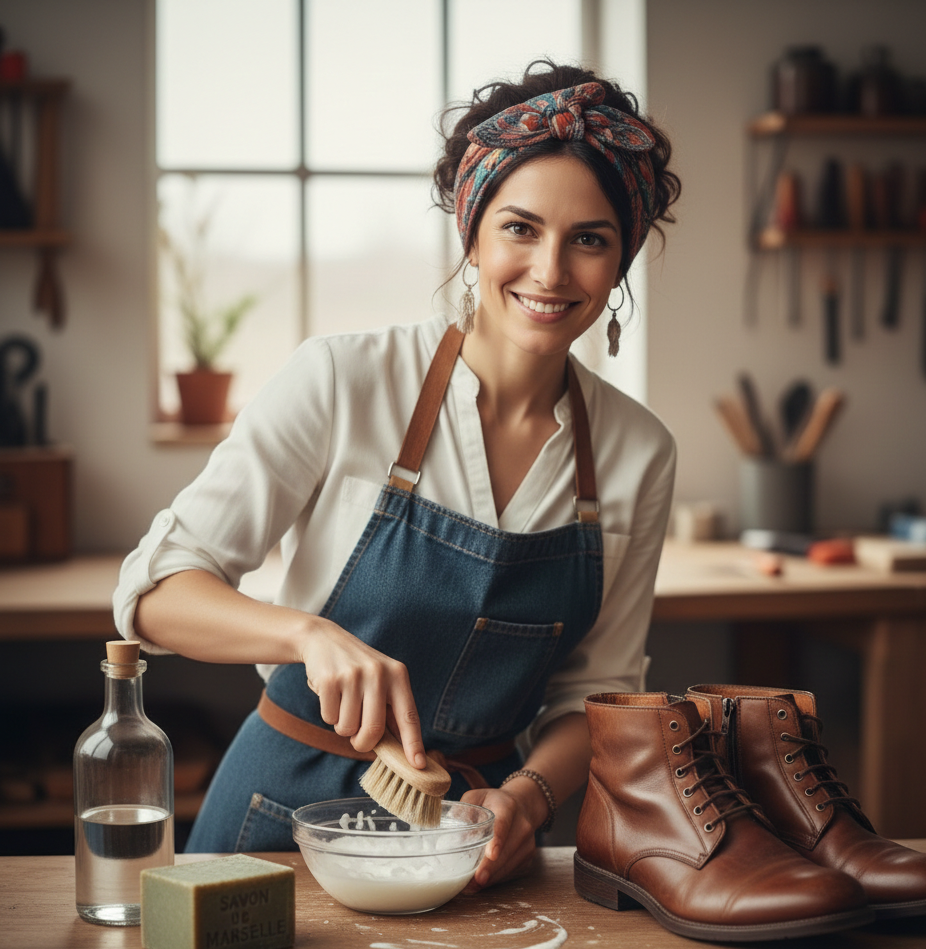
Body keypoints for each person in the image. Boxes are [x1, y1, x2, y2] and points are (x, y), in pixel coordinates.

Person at [114, 60, 681, 890]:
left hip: (473, 839)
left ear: (620, 258)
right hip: (278, 824)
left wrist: (525, 797)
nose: (551, 272)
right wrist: (306, 635)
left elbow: (598, 696)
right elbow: (154, 591)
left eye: (588, 239)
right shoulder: (342, 379)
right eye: (519, 228)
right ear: (472, 230)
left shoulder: (638, 452)